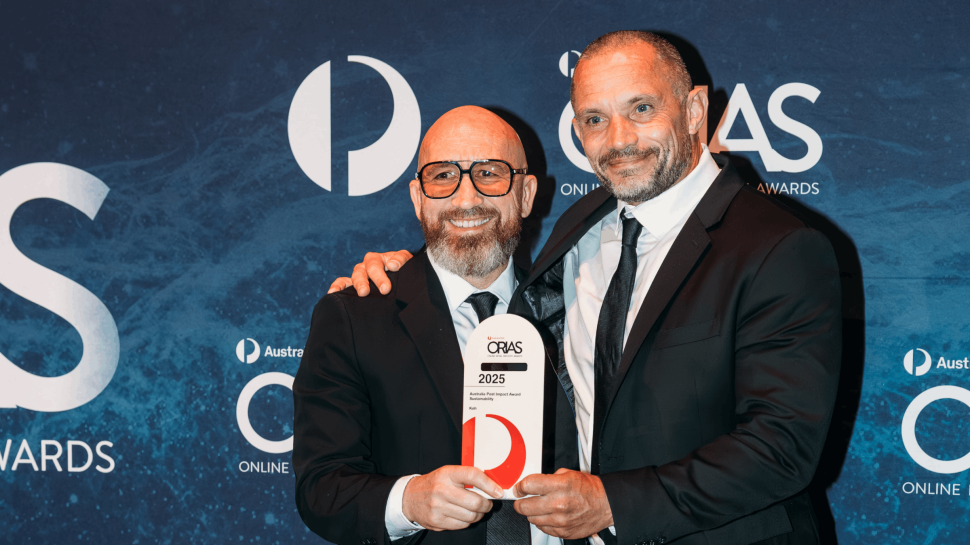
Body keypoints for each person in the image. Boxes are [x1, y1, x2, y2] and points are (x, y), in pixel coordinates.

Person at [332, 31, 842, 545]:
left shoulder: (780, 246)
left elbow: (782, 448)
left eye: (641, 108)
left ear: (694, 111)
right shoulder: (584, 228)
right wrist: (405, 273)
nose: (619, 140)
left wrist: (611, 504)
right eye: (595, 119)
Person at [293, 105, 580, 545]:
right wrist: (409, 501)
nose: (466, 199)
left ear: (525, 195)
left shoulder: (575, 311)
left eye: (489, 173)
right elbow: (321, 490)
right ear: (418, 198)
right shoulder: (352, 318)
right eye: (443, 175)